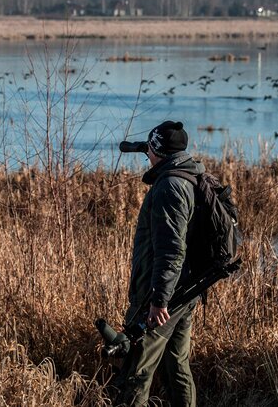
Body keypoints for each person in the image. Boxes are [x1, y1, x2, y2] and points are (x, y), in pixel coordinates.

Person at [115, 120, 204, 406]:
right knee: (176, 367)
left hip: (164, 297)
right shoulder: (187, 172)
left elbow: (170, 250)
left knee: (136, 371)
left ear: (158, 152)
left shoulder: (169, 188)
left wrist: (159, 301)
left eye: (149, 150)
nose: (147, 156)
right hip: (184, 289)